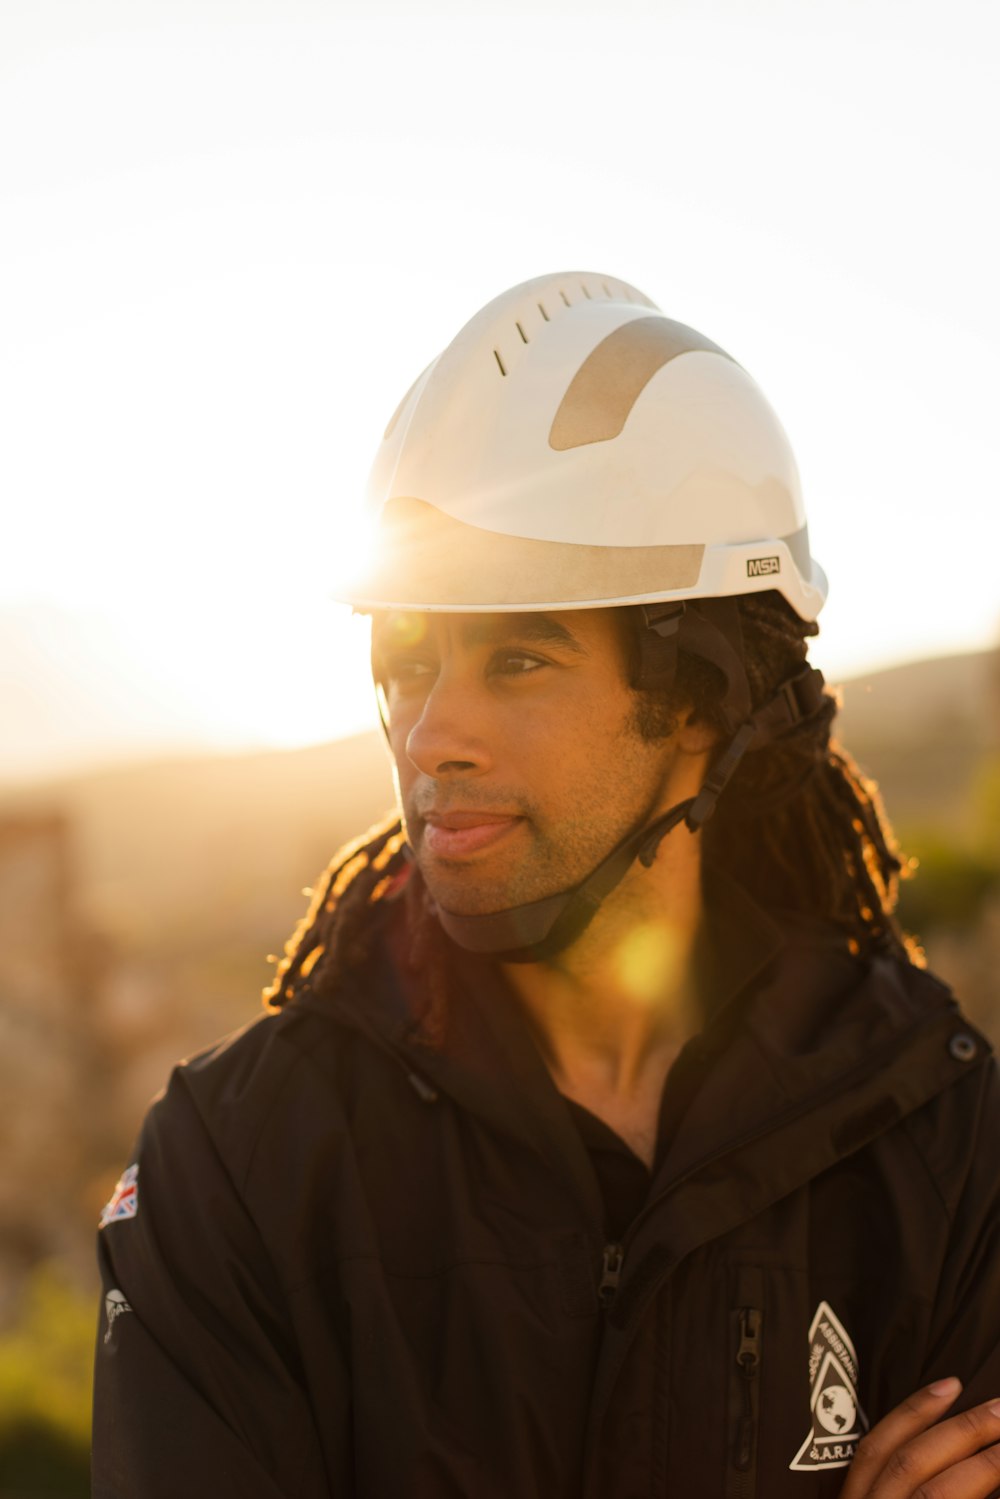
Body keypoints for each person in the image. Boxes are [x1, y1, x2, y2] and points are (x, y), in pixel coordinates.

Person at [92, 272, 1000, 1497]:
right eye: (408, 661)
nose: (428, 735)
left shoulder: (936, 1142)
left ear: (700, 699)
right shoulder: (240, 1166)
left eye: (518, 656)